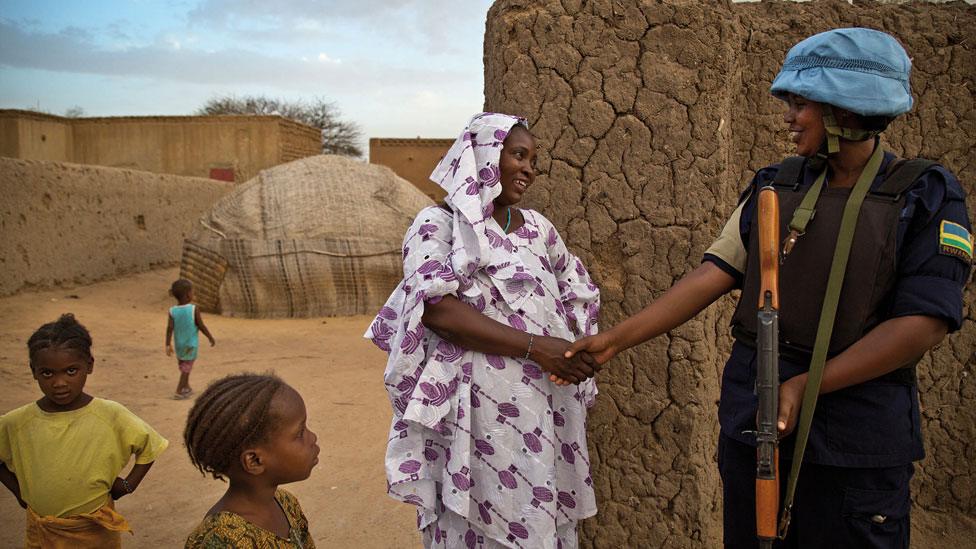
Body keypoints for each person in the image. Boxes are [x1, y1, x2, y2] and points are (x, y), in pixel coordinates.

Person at [565, 28, 972, 548]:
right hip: (754, 424)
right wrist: (614, 342)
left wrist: (804, 387)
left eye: (800, 103)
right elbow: (713, 273)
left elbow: (924, 324)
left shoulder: (926, 194)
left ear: (842, 109)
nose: (789, 117)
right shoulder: (774, 185)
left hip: (856, 441)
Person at [366, 112, 601, 548]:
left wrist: (575, 349)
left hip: (545, 400)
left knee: (539, 511)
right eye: (518, 154)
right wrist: (536, 346)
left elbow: (579, 292)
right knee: (475, 516)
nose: (529, 168)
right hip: (475, 406)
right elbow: (438, 310)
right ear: (481, 155)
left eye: (533, 159)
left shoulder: (540, 231)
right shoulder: (437, 225)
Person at [0, 313, 169, 548]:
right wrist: (20, 492)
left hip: (95, 530)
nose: (59, 383)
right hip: (42, 531)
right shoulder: (17, 422)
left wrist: (129, 484)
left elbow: (150, 445)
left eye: (71, 371)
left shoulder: (110, 414)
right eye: (47, 373)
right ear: (33, 370)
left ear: (89, 366)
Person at [183, 373, 319, 548]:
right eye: (300, 433)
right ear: (254, 461)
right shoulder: (223, 540)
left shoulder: (285, 503)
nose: (313, 437)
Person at [166, 278, 216, 399]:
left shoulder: (172, 311)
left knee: (184, 365)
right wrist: (210, 337)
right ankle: (179, 390)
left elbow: (169, 328)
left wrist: (167, 344)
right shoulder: (193, 309)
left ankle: (186, 387)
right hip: (190, 344)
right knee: (187, 368)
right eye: (192, 292)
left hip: (179, 345)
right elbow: (201, 325)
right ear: (188, 294)